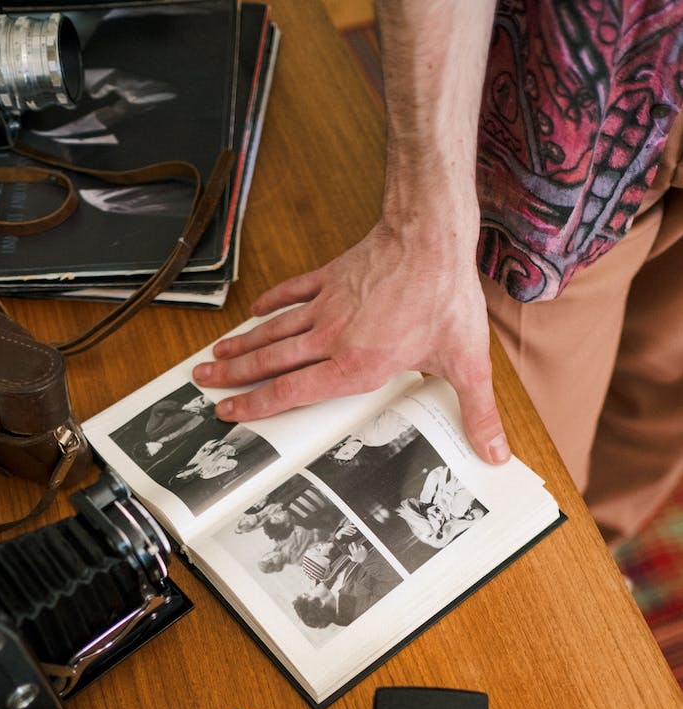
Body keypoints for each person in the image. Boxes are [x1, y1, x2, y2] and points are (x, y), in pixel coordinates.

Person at [192, 2, 683, 550]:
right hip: (574, 124)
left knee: (663, 386)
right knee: (534, 473)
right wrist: (419, 234)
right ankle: (570, 557)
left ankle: (601, 556)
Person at [293, 541, 399, 628]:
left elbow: (341, 553)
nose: (310, 587)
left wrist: (337, 540)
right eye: (308, 594)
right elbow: (394, 583)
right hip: (395, 544)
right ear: (321, 603)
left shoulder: (326, 583)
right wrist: (366, 560)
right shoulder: (359, 611)